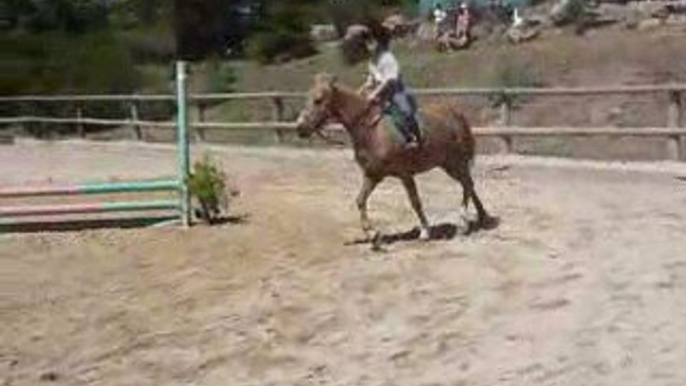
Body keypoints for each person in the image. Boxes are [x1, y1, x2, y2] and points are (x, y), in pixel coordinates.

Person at [363, 23, 422, 148]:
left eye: (371, 42)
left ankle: (413, 137)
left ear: (379, 42)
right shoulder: (372, 61)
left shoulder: (388, 58)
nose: (368, 46)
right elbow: (372, 78)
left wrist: (375, 93)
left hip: (395, 92)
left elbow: (389, 81)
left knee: (404, 112)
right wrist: (365, 87)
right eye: (367, 42)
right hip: (380, 93)